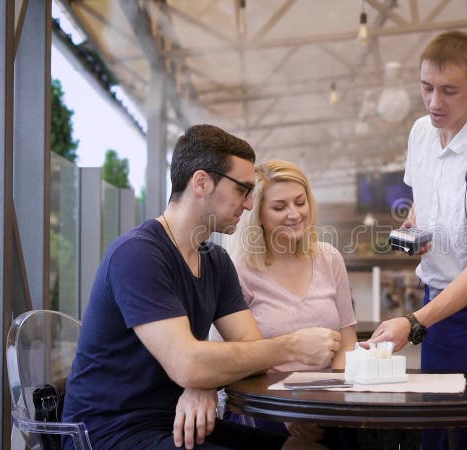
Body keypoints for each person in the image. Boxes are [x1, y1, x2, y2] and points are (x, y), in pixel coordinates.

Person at [61, 125, 340, 450]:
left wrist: (203, 381)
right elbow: (189, 363)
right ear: (202, 182)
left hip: (180, 422)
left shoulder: (216, 261)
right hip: (110, 433)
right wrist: (291, 346)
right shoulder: (137, 255)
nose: (250, 205)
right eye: (243, 190)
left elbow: (250, 352)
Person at [367, 30, 467, 449]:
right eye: (427, 88)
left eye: (449, 91)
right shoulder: (421, 131)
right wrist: (410, 233)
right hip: (437, 300)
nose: (435, 102)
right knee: (437, 427)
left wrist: (414, 323)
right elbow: (422, 199)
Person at [224, 160, 358, 447]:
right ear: (257, 214)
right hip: (264, 408)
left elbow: (348, 341)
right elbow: (230, 359)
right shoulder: (241, 270)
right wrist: (285, 412)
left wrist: (329, 402)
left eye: (300, 202)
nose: (294, 214)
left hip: (328, 406)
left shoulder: (329, 258)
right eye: (279, 206)